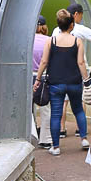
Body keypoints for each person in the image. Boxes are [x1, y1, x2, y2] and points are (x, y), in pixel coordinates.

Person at [34, 9, 89, 154]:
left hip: (56, 82)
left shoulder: (50, 41)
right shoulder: (77, 41)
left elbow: (44, 61)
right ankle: (84, 138)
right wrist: (86, 79)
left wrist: (38, 79)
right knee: (78, 110)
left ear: (58, 25)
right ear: (71, 25)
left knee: (56, 114)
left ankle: (56, 147)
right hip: (74, 82)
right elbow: (81, 63)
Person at [52, 3, 91, 140]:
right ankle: (81, 132)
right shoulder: (79, 30)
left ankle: (61, 130)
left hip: (60, 72)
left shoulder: (55, 32)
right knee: (80, 103)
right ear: (75, 15)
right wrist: (86, 78)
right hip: (76, 73)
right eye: (81, 15)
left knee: (62, 103)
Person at [32, 15, 51, 148]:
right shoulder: (50, 40)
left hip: (28, 76)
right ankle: (45, 139)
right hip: (45, 77)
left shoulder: (27, 40)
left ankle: (31, 135)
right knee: (46, 109)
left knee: (29, 109)